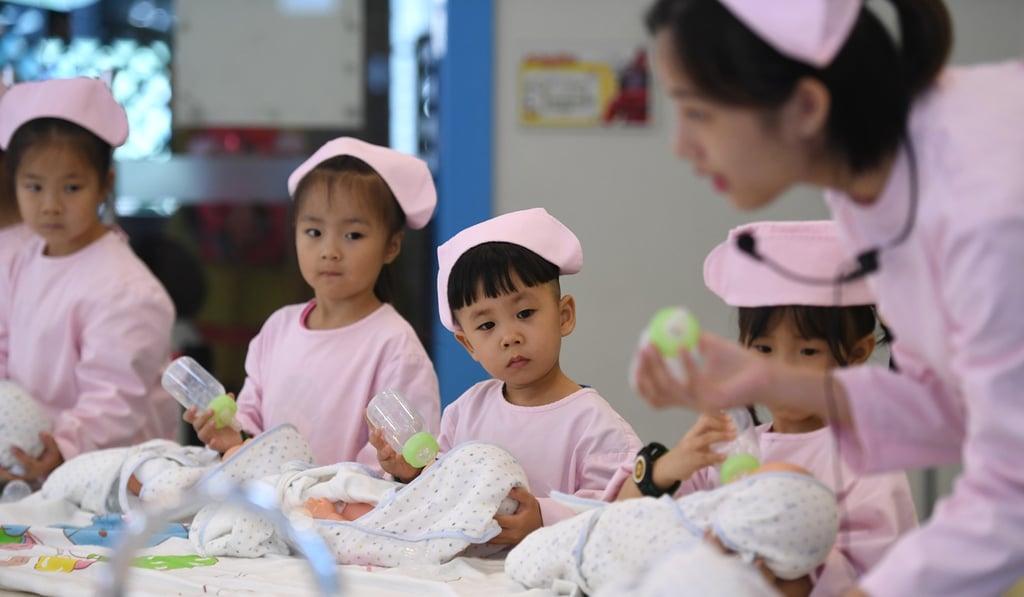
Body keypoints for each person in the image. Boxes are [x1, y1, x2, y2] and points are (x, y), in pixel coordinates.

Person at [636, 1, 1024, 594]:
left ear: (807, 107)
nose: (680, 146)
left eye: (697, 112)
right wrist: (764, 382)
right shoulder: (876, 184)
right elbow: (945, 404)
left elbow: (1011, 496)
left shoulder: (985, 213)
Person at [621, 221, 917, 595]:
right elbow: (625, 525)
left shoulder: (867, 460)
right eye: (763, 349)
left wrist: (789, 571)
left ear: (856, 354)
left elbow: (885, 576)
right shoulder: (731, 447)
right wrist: (670, 465)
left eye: (807, 351)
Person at [372, 208, 642, 544]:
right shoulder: (466, 412)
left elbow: (623, 515)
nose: (509, 336)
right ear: (468, 343)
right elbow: (440, 489)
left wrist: (545, 518)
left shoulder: (597, 427)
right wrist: (411, 473)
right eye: (487, 325)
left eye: (524, 313)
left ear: (564, 316)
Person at [186, 137, 441, 470]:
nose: (329, 250)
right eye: (313, 232)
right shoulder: (278, 328)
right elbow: (252, 422)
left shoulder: (394, 346)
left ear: (392, 246)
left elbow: (409, 460)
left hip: (348, 516)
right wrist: (231, 436)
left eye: (353, 235)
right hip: (272, 507)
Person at [0, 77, 177, 483]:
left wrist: (61, 448)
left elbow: (114, 399)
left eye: (72, 187)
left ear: (105, 185)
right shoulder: (21, 259)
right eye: (34, 186)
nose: (50, 205)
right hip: (34, 462)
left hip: (111, 475)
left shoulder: (126, 288)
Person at [509, 461, 839, 597]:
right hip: (593, 530)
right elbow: (631, 503)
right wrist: (673, 461)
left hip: (581, 549)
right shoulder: (719, 454)